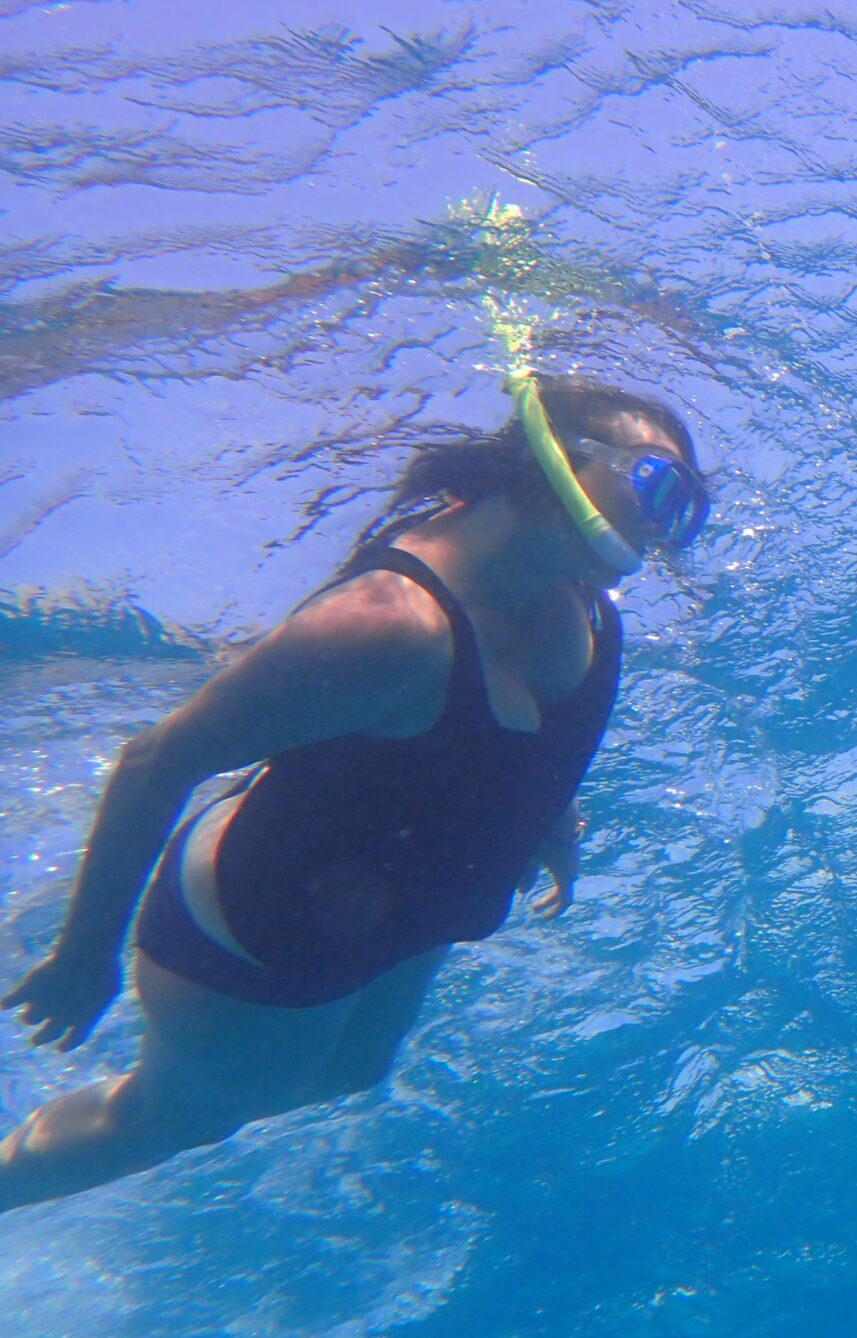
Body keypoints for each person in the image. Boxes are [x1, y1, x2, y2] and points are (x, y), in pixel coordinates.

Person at [0, 367, 710, 1211]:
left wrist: (546, 818)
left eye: (682, 505)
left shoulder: (580, 603)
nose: (661, 525)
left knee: (353, 1071)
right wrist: (85, 958)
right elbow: (158, 761)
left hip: (390, 904)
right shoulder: (385, 629)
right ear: (554, 459)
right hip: (262, 930)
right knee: (171, 1121)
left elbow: (522, 738)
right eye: (654, 485)